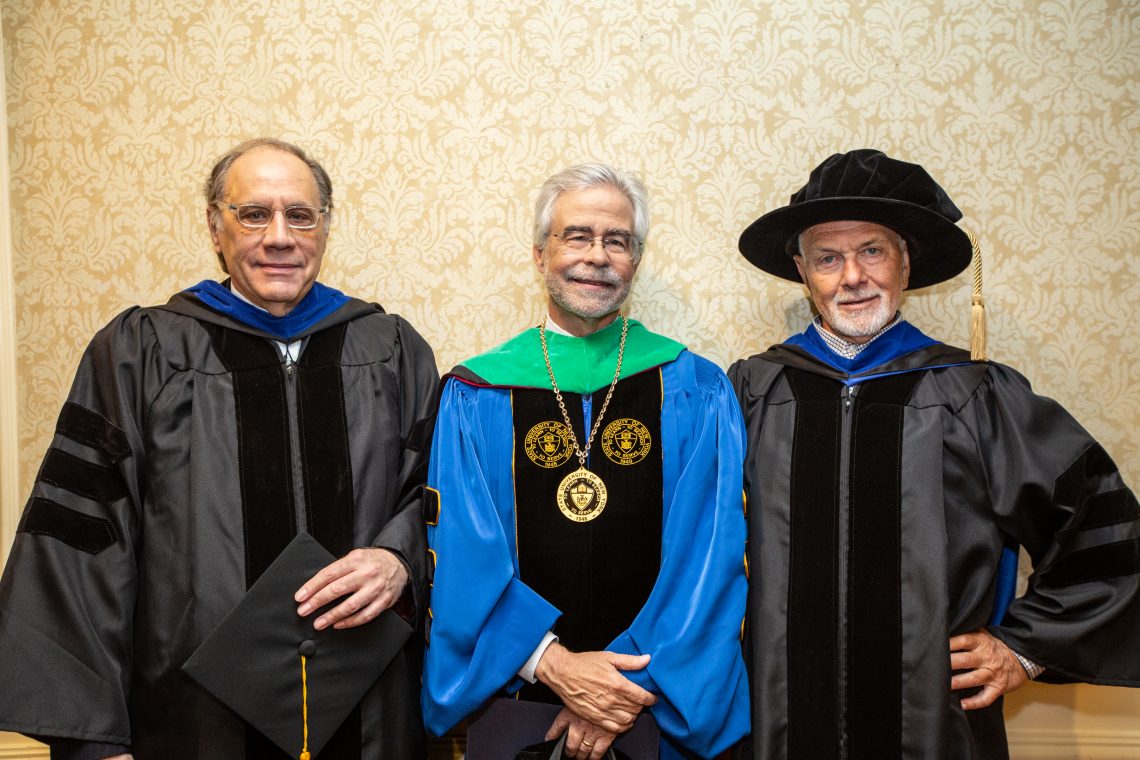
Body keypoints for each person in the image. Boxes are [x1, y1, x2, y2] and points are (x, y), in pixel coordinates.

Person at [0, 138, 439, 759]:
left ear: (325, 228)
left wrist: (399, 559)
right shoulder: (141, 351)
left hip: (366, 712)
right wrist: (94, 743)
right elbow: (80, 541)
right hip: (190, 717)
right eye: (253, 214)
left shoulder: (391, 349)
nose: (280, 236)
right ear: (214, 227)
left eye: (300, 215)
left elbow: (442, 499)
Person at [729, 148, 1140, 760]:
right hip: (778, 722)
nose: (852, 277)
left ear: (905, 261)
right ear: (801, 270)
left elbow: (1102, 535)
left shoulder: (974, 394)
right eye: (828, 258)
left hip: (934, 726)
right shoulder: (752, 390)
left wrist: (1023, 646)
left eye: (872, 251)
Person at [421, 163, 750, 759]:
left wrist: (618, 691)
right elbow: (466, 556)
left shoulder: (697, 389)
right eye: (577, 236)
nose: (597, 256)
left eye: (617, 241)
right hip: (521, 703)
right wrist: (554, 665)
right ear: (539, 253)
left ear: (636, 261)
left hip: (654, 707)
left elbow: (709, 560)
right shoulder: (477, 393)